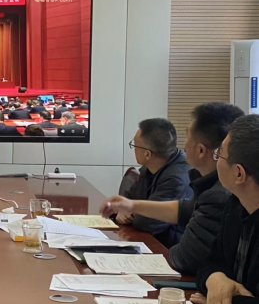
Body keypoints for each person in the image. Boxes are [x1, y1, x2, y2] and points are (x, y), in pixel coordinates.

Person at [99, 103, 244, 275]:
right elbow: (184, 209)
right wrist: (131, 205)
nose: (182, 147)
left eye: (187, 138)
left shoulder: (217, 194)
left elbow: (184, 259)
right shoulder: (208, 184)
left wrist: (161, 252)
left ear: (200, 150)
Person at [192, 115, 259, 304]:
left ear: (239, 173)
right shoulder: (235, 205)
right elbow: (209, 262)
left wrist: (222, 302)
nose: (216, 160)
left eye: (219, 155)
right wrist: (216, 280)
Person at [118, 118, 194, 247]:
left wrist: (131, 209)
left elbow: (147, 222)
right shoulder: (149, 168)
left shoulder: (176, 179)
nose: (133, 149)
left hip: (168, 249)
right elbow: (127, 199)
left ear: (147, 154)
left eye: (134, 145)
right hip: (150, 241)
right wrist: (123, 209)